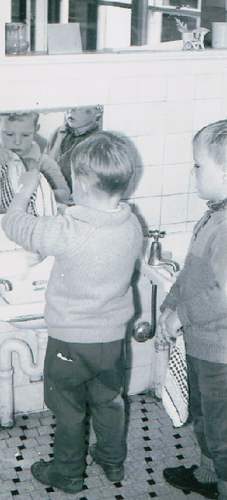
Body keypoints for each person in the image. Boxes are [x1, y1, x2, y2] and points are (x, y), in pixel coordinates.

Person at [1, 132, 143, 493]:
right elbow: (93, 229)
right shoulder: (130, 223)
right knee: (109, 402)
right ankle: (111, 463)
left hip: (70, 342)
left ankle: (66, 474)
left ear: (80, 182)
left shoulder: (67, 231)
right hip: (112, 341)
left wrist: (27, 187)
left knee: (68, 411)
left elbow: (13, 224)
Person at [157, 120, 227, 500]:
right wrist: (171, 302)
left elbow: (223, 294)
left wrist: (180, 316)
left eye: (198, 165)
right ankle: (207, 476)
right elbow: (194, 271)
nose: (192, 172)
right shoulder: (215, 214)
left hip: (222, 354)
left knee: (222, 432)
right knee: (206, 419)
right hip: (206, 346)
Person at [0, 111, 71, 213]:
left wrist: (36, 193)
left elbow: (65, 194)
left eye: (25, 135)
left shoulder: (44, 162)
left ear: (35, 131)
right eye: (9, 134)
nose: (17, 141)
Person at [47, 105, 103, 192]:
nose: (71, 110)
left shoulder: (99, 142)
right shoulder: (58, 133)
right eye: (69, 105)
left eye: (79, 107)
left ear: (97, 112)